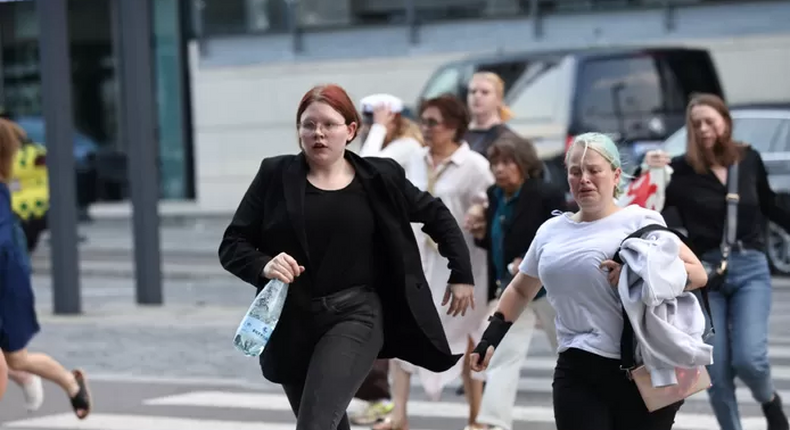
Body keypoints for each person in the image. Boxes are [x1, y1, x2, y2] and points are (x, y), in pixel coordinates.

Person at [218, 84, 476, 430]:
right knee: (328, 423)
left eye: (328, 124)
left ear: (351, 130)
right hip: (291, 320)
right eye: (308, 125)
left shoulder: (379, 177)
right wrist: (264, 264)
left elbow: (437, 215)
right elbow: (233, 243)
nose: (318, 133)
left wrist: (461, 273)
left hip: (356, 315)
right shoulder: (275, 175)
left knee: (315, 424)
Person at [470, 132, 709, 430]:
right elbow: (520, 287)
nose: (584, 179)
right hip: (577, 369)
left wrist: (637, 275)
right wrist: (490, 338)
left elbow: (697, 274)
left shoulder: (641, 221)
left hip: (641, 366)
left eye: (594, 170)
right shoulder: (551, 231)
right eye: (575, 171)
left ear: (615, 175)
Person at [642, 93, 790, 430]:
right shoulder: (678, 171)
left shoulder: (748, 159)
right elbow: (647, 209)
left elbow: (768, 204)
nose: (704, 129)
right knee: (716, 366)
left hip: (751, 268)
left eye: (710, 121)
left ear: (725, 120)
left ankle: (769, 400)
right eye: (696, 124)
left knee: (750, 359)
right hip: (705, 276)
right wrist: (646, 169)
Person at [465, 135, 565, 430]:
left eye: (507, 162)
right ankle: (495, 422)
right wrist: (480, 232)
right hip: (512, 288)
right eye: (495, 162)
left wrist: (528, 257)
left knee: (570, 349)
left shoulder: (545, 194)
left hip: (548, 288)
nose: (499, 168)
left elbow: (560, 235)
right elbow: (496, 241)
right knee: (504, 354)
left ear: (524, 164)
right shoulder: (496, 194)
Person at [0, 118, 91, 418]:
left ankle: (57, 381)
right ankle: (70, 383)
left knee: (14, 360)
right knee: (17, 361)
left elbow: (3, 246)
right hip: (10, 281)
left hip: (7, 286)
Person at [350, 93, 424, 425]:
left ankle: (386, 401)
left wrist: (377, 130)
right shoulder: (385, 144)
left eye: (373, 119)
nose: (367, 126)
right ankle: (378, 397)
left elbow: (367, 168)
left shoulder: (407, 146)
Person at [464, 72, 521, 157]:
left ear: (498, 99)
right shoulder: (456, 134)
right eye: (473, 91)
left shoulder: (507, 139)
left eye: (485, 92)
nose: (477, 96)